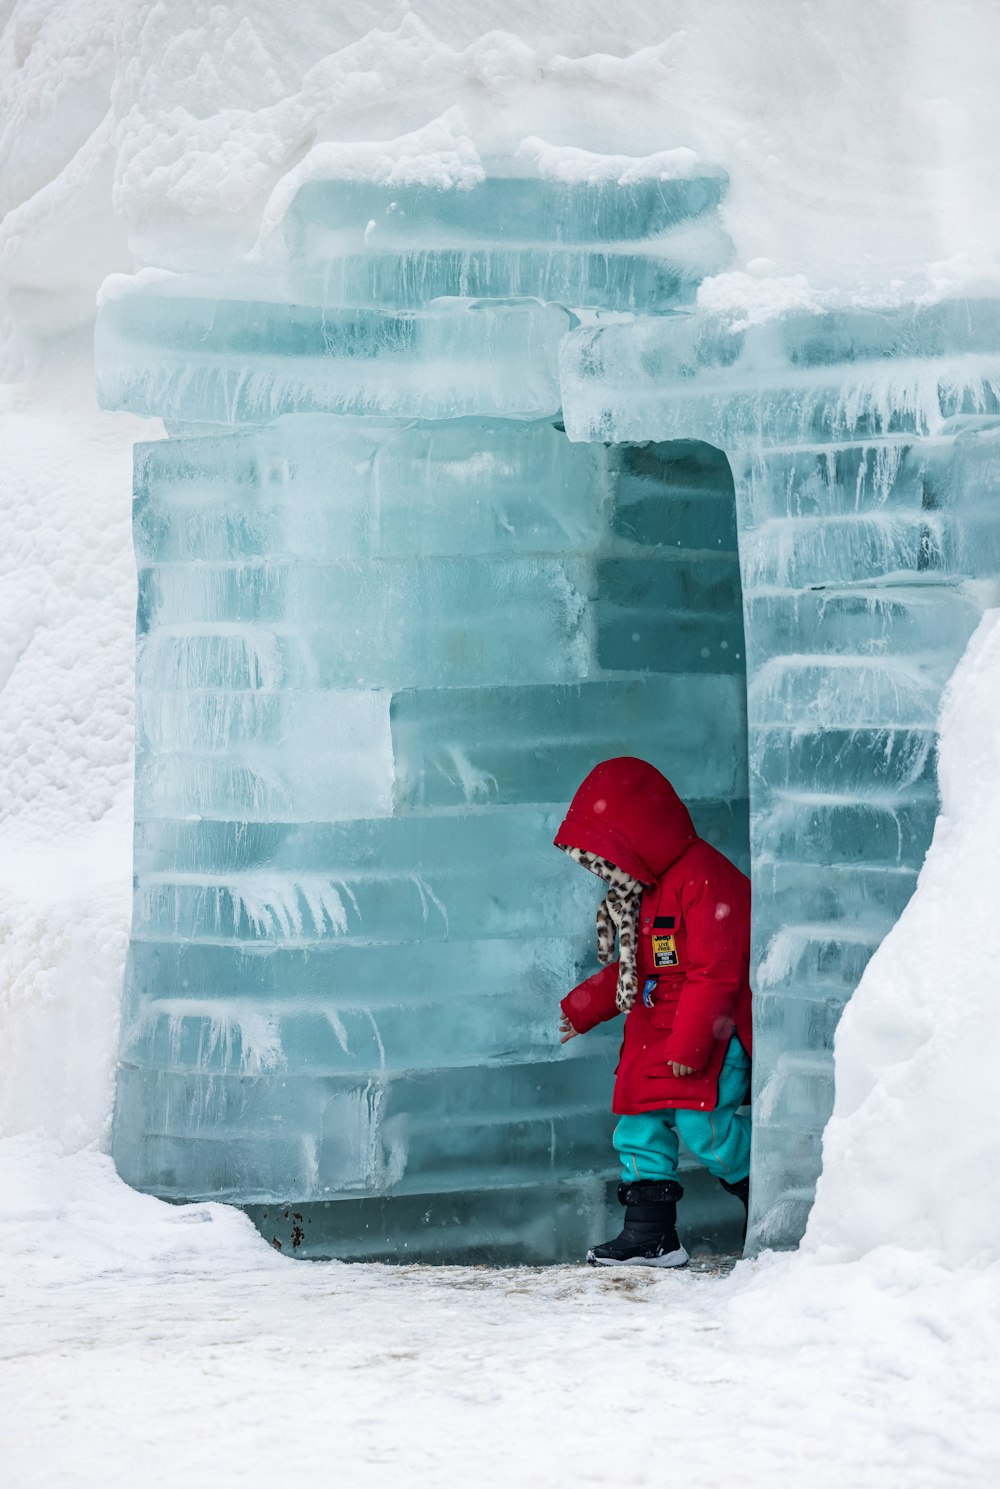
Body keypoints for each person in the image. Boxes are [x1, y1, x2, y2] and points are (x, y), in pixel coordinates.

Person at [556, 756, 752, 1267]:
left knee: (708, 1132)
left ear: (637, 839)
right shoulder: (644, 890)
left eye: (606, 859)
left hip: (705, 1035)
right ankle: (651, 1236)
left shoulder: (704, 880)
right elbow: (635, 966)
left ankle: (774, 1194)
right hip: (651, 1033)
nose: (606, 874)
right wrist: (583, 1008)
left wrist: (691, 1044)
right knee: (638, 1127)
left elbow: (717, 971)